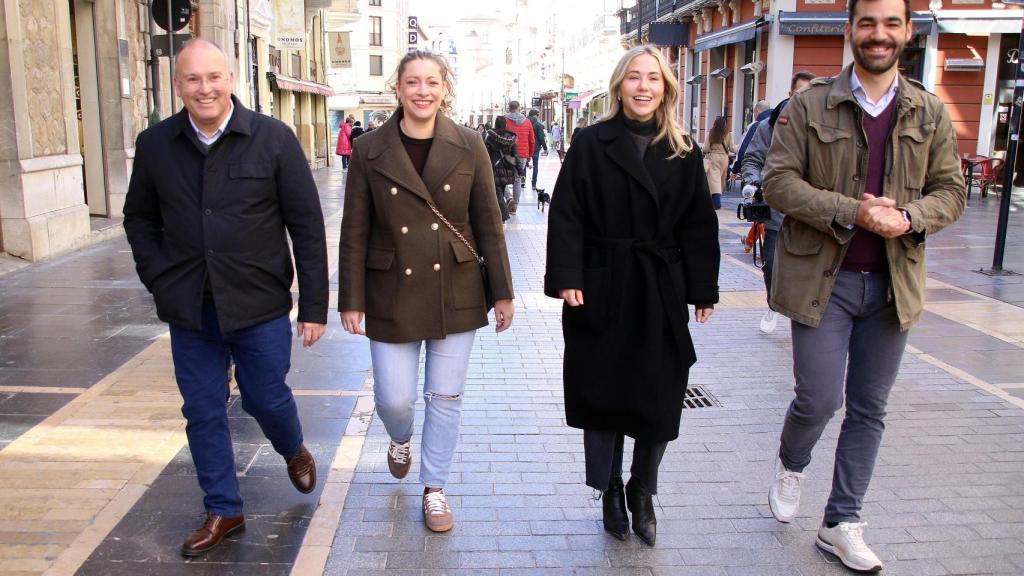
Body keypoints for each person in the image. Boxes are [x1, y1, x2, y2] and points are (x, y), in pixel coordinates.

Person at [761, 0, 966, 571]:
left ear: (907, 32)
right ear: (850, 31)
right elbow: (778, 182)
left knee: (870, 409)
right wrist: (855, 211)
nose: (879, 35)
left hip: (894, 284)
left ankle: (841, 522)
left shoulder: (928, 110)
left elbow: (951, 190)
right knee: (820, 398)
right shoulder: (809, 105)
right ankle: (791, 461)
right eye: (868, 23)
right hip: (822, 282)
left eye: (891, 23)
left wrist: (910, 217)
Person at [122, 39, 328, 557]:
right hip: (190, 306)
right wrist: (158, 276)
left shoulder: (273, 139)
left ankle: (291, 446)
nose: (205, 88)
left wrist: (314, 307)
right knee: (202, 409)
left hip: (258, 303)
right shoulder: (156, 145)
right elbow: (139, 218)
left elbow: (305, 226)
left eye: (214, 77)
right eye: (193, 79)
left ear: (231, 78)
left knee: (264, 396)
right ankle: (223, 508)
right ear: (179, 85)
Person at [545, 45, 720, 547]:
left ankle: (643, 487)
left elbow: (697, 223)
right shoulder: (590, 142)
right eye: (634, 78)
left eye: (654, 79)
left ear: (665, 88)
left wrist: (702, 287)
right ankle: (609, 490)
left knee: (659, 395)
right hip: (602, 284)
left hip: (658, 288)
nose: (644, 87)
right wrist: (567, 275)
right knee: (602, 392)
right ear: (619, 85)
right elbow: (567, 213)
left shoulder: (684, 150)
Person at [338, 50, 515, 534]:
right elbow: (354, 229)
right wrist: (349, 298)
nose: (422, 91)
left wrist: (502, 292)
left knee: (446, 396)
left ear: (444, 88)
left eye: (431, 82)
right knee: (394, 398)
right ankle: (399, 439)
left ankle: (434, 488)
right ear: (398, 88)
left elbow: (489, 224)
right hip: (390, 289)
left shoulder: (469, 144)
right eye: (413, 82)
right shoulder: (370, 148)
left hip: (454, 288)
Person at [740, 70, 816, 334]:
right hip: (776, 212)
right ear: (790, 94)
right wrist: (754, 181)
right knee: (772, 265)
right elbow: (751, 159)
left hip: (810, 215)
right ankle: (774, 303)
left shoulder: (823, 127)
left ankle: (803, 313)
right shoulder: (770, 125)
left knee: (808, 269)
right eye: (799, 93)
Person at [483, 115, 519, 222]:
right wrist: (520, 169)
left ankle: (503, 215)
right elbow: (514, 154)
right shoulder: (511, 137)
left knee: (497, 192)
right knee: (501, 191)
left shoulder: (490, 136)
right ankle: (501, 215)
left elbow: (486, 153)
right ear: (505, 124)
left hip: (494, 167)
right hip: (507, 168)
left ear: (495, 124)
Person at [504, 101, 535, 214]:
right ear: (519, 108)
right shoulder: (527, 122)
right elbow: (532, 140)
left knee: (502, 179)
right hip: (522, 154)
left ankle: (508, 198)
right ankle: (514, 206)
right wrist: (529, 156)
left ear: (509, 108)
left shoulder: (504, 120)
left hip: (506, 153)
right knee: (517, 180)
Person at [730, 100, 771, 176]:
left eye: (754, 112)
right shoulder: (777, 123)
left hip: (755, 170)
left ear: (757, 111)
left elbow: (742, 150)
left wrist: (735, 169)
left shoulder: (754, 126)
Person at [702, 116, 735, 209]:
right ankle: (716, 200)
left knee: (714, 180)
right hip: (724, 158)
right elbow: (732, 148)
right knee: (720, 179)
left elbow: (706, 148)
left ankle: (716, 202)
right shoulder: (728, 133)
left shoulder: (711, 133)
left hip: (713, 158)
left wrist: (703, 152)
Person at [528, 109, 549, 190]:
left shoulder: (524, 123)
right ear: (535, 115)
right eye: (538, 115)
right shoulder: (538, 124)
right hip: (535, 148)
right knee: (535, 165)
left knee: (523, 164)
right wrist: (545, 148)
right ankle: (533, 184)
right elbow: (541, 137)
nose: (538, 117)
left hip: (525, 148)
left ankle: (522, 181)